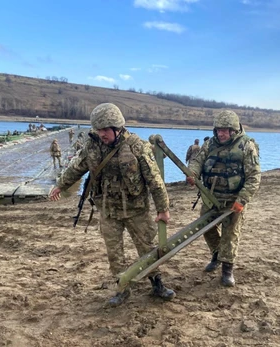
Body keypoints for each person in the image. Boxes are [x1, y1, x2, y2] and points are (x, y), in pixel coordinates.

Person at [49, 103, 175, 306]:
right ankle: (122, 288)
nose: (101, 134)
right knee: (114, 252)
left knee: (146, 247)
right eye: (98, 130)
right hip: (108, 209)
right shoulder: (92, 146)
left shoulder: (136, 146)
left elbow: (154, 179)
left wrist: (163, 209)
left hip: (136, 210)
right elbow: (76, 167)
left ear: (117, 128)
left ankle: (156, 283)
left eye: (105, 130)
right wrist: (60, 185)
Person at [186, 110, 261, 287]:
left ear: (234, 130)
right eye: (218, 130)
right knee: (206, 228)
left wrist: (241, 200)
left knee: (230, 234)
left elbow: (254, 176)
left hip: (233, 200)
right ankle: (217, 255)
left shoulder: (246, 146)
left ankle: (227, 270)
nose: (221, 133)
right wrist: (193, 173)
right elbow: (197, 160)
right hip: (211, 198)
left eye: (225, 130)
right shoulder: (209, 144)